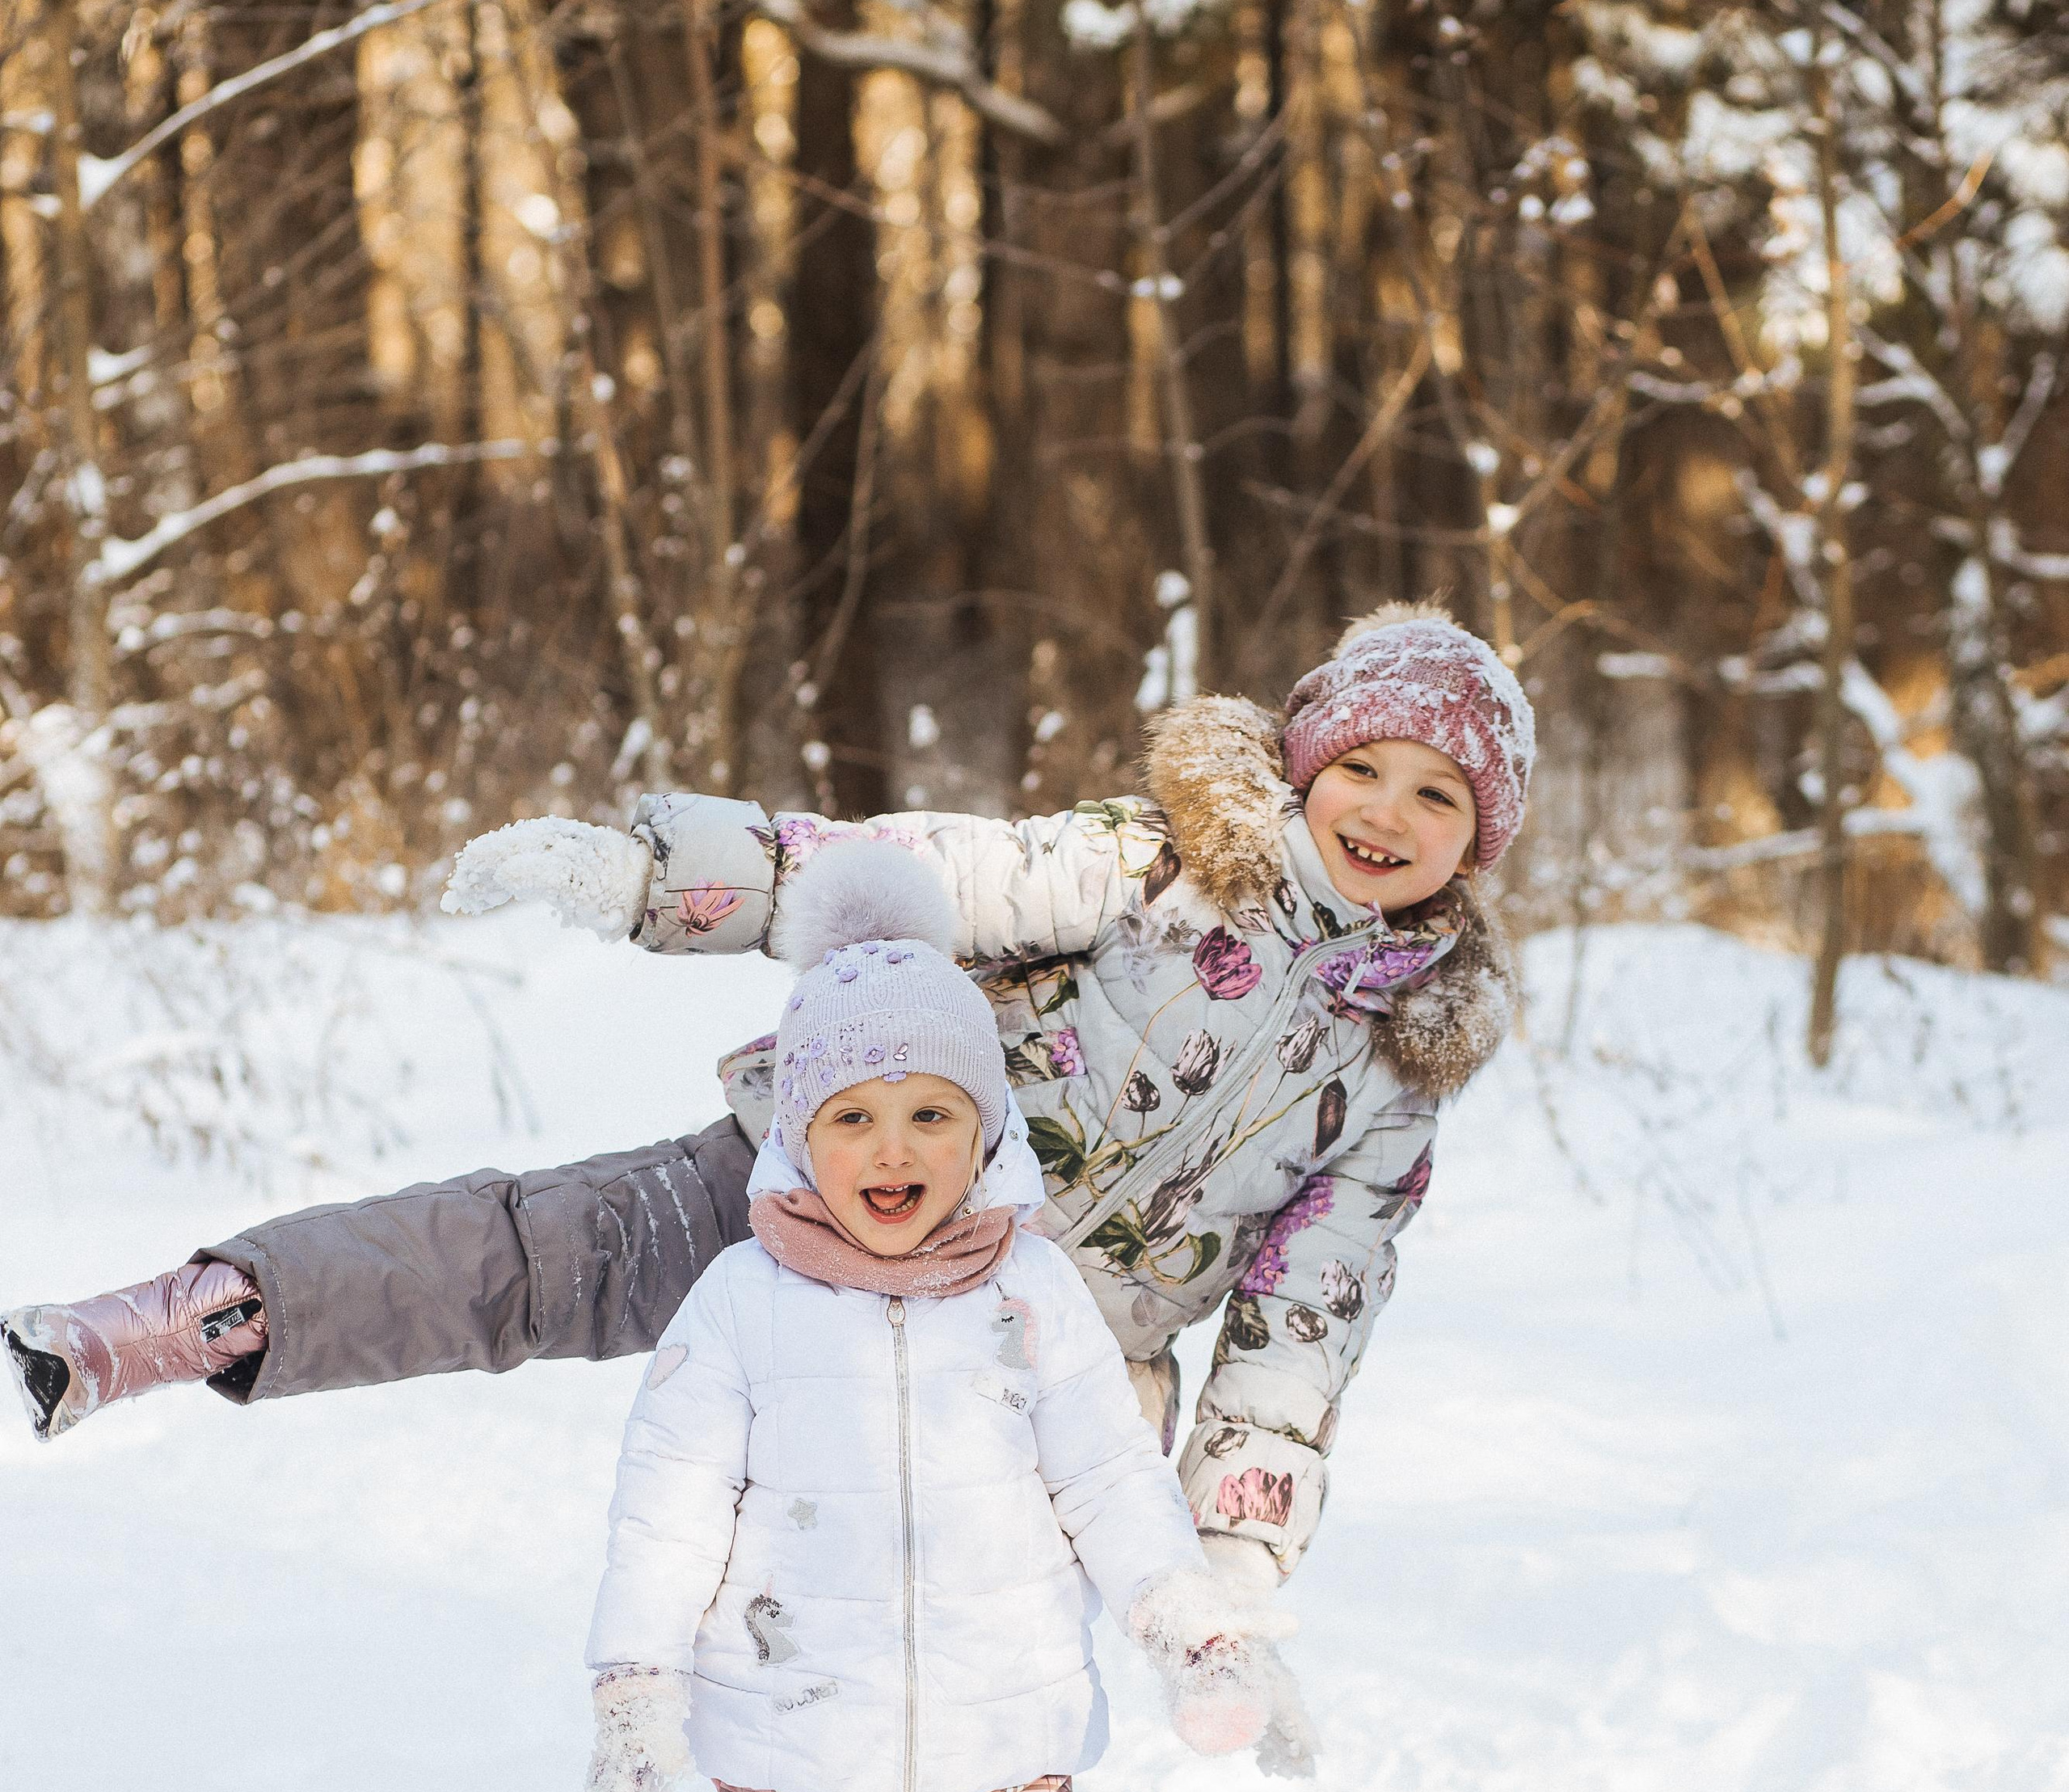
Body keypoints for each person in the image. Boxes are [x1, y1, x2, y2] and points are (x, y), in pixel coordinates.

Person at [2, 603, 1533, 1614]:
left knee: (951, 1667)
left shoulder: (1402, 1064)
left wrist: (1240, 1541)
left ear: (1477, 843)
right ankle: (185, 1322)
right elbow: (918, 875)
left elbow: (1309, 1311)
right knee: (538, 1255)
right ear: (1308, 761)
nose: (1388, 814)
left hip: (1037, 1363)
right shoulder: (1152, 865)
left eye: (1439, 796)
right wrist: (663, 882)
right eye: (1367, 768)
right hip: (821, 1182)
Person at [578, 838, 1310, 1792]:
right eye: (852, 1116)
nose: (892, 1149)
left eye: (931, 1111)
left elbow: (1108, 1478)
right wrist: (635, 1687)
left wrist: (1186, 1624)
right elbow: (666, 1508)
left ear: (986, 1127)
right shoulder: (742, 1303)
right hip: (792, 1734)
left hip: (999, 1731)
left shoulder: (1032, 1293)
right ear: (799, 1133)